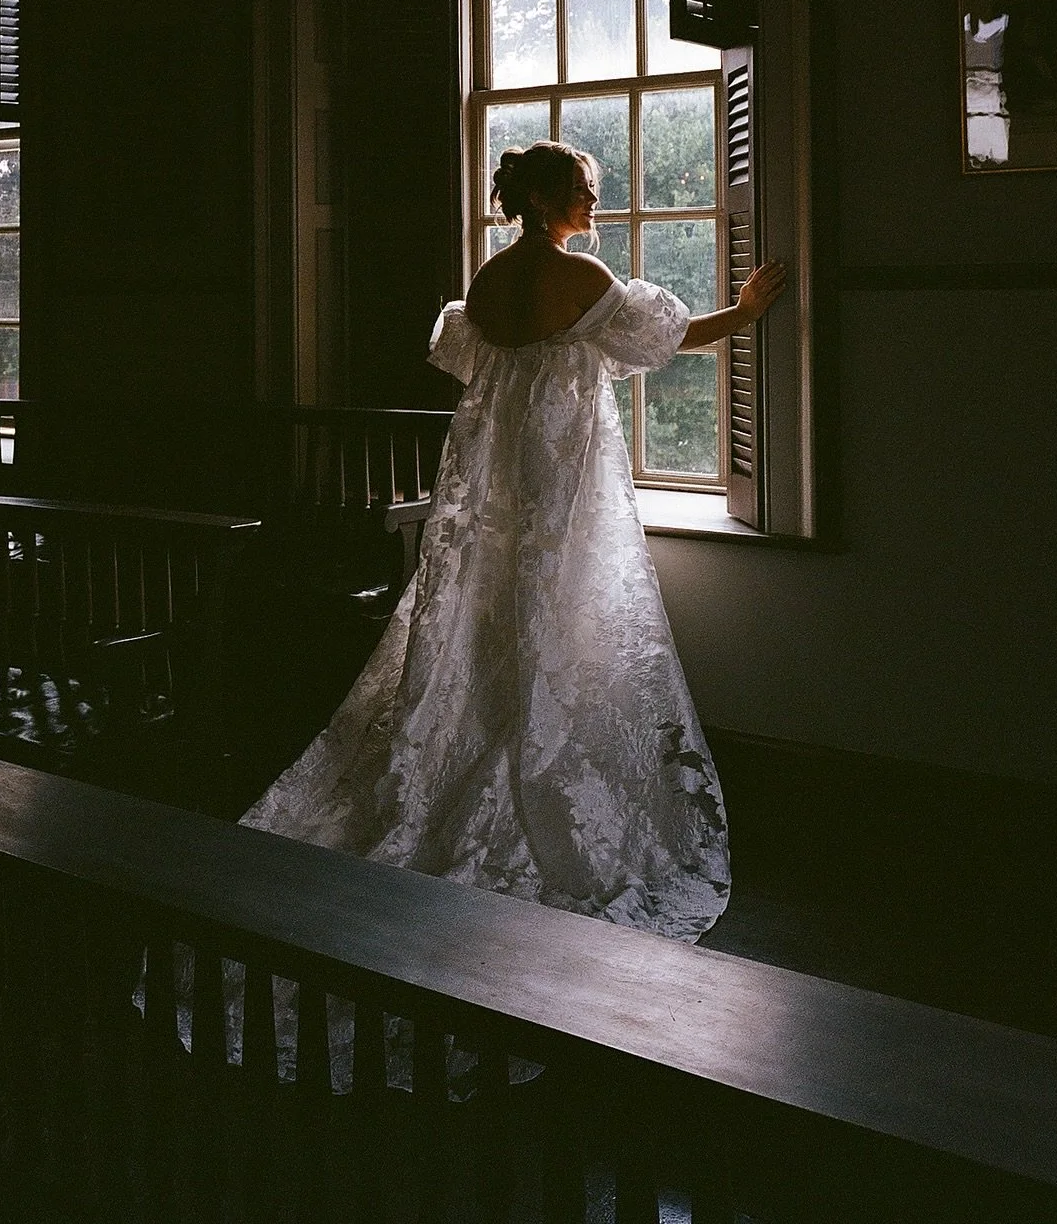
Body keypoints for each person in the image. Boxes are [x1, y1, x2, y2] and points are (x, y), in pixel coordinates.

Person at [242, 140, 785, 942]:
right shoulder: (582, 278)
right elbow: (662, 342)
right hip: (559, 492)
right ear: (541, 198)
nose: (592, 205)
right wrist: (743, 314)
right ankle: (530, 787)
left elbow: (483, 376)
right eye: (581, 192)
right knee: (558, 632)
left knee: (496, 632)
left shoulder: (487, 282)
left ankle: (477, 766)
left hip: (501, 498)